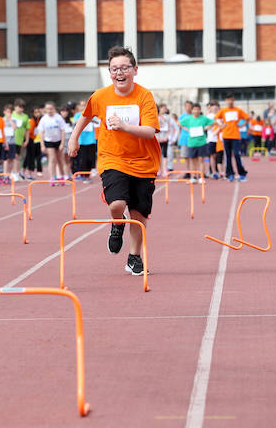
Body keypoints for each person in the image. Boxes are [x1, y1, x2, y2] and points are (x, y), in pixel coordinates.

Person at [67, 46, 161, 277]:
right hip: (112, 158)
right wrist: (73, 138)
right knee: (116, 204)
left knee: (139, 214)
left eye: (124, 68)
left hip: (144, 162)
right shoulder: (100, 96)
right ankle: (117, 223)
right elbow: (86, 116)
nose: (119, 73)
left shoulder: (144, 96)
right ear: (109, 72)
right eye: (114, 69)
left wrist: (125, 126)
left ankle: (134, 257)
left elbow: (150, 131)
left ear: (135, 70)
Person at [214, 93, 250, 182]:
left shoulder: (238, 110)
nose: (230, 101)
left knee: (237, 154)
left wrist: (242, 125)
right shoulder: (223, 110)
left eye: (231, 100)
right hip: (226, 136)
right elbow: (215, 118)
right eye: (228, 100)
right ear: (226, 101)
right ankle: (230, 174)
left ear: (234, 100)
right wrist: (221, 125)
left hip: (235, 136)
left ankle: (242, 173)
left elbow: (248, 118)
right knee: (228, 156)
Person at [36, 101, 67, 185]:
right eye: (48, 109)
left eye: (51, 109)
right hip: (49, 141)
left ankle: (61, 176)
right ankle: (52, 178)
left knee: (60, 159)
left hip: (58, 141)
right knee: (52, 159)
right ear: (45, 110)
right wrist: (42, 145)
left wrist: (62, 143)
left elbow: (63, 131)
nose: (49, 110)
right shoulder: (44, 119)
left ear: (54, 109)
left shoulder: (58, 118)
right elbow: (41, 132)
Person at [179, 103, 213, 178]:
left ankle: (201, 176)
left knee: (201, 159)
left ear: (200, 110)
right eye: (194, 109)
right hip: (192, 143)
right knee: (193, 160)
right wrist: (187, 129)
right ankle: (193, 176)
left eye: (198, 109)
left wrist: (206, 128)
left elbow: (212, 122)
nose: (196, 111)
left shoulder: (204, 118)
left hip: (202, 142)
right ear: (192, 110)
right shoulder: (188, 119)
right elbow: (180, 123)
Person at [9, 100, 29, 182]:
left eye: (22, 108)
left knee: (17, 157)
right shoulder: (11, 115)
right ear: (15, 107)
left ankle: (16, 173)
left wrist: (26, 140)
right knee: (10, 157)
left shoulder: (25, 117)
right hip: (10, 139)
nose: (21, 109)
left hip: (19, 140)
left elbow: (27, 129)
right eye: (19, 107)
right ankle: (11, 173)